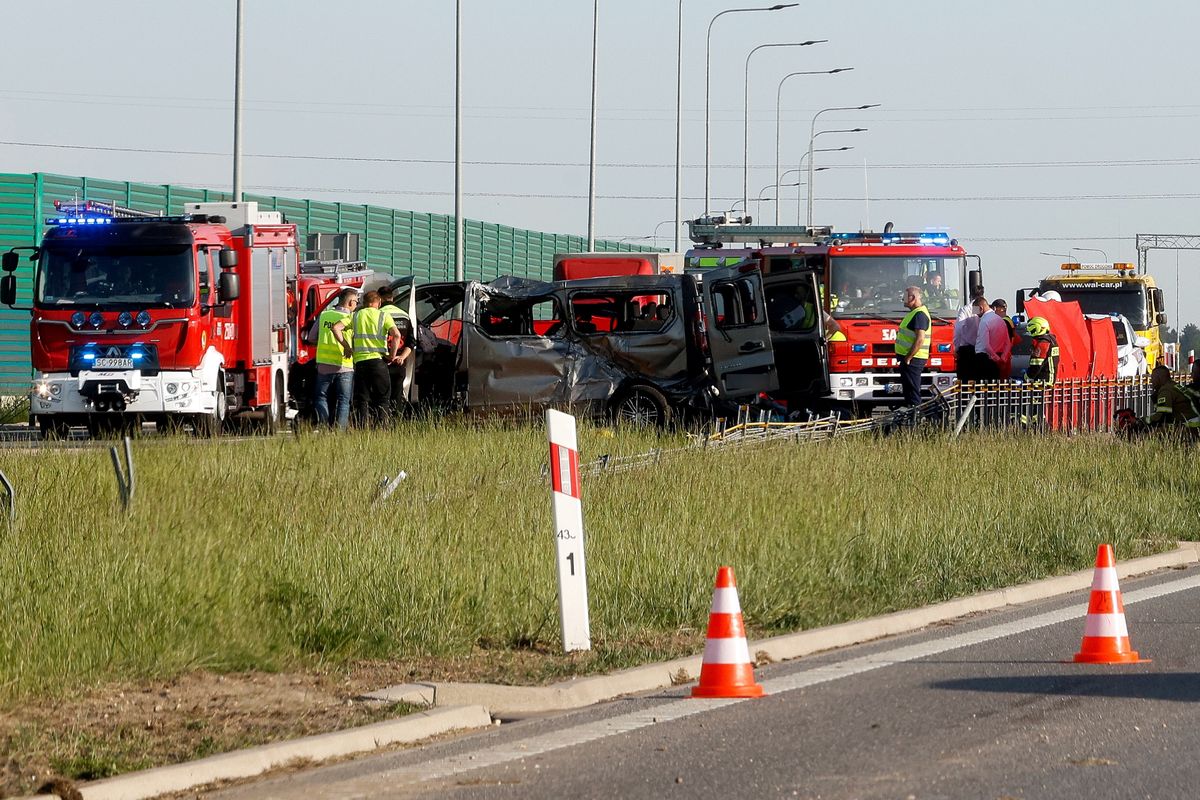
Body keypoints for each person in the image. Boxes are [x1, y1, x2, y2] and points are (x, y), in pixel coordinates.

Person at [351, 290, 404, 427]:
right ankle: (382, 429)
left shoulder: (356, 315)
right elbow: (397, 335)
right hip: (378, 362)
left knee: (362, 399)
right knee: (383, 398)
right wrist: (392, 356)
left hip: (360, 363)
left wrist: (347, 347)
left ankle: (362, 429)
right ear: (378, 302)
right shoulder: (383, 315)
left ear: (364, 303)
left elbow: (337, 328)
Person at [312, 288, 359, 430]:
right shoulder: (351, 318)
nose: (357, 304)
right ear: (350, 302)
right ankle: (340, 432)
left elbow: (311, 337)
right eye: (356, 301)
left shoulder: (325, 315)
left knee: (321, 397)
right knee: (343, 401)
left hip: (324, 366)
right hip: (344, 365)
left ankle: (323, 426)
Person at [378, 286, 415, 409]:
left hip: (382, 361)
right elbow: (411, 342)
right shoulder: (404, 315)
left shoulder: (379, 315)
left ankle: (381, 423)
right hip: (399, 364)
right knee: (397, 396)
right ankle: (396, 423)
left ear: (380, 299)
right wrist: (402, 357)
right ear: (392, 298)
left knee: (381, 396)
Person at [894, 285, 930, 407]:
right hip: (910, 358)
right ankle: (912, 417)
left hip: (914, 359)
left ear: (912, 297)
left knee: (913, 392)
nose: (902, 300)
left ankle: (916, 419)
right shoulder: (914, 313)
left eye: (904, 297)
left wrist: (909, 357)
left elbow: (920, 339)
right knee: (909, 391)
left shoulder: (919, 314)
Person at [1144, 365, 1200, 435]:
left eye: (1152, 378)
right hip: (1194, 424)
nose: (1151, 381)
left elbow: (1161, 416)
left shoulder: (1165, 390)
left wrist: (1142, 421)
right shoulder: (1174, 386)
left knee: (1151, 434)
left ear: (1159, 378)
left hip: (1189, 427)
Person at [953, 295, 989, 383]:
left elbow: (958, 329)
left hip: (966, 349)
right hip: (980, 349)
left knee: (964, 379)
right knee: (977, 379)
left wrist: (956, 347)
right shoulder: (984, 310)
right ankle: (975, 396)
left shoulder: (966, 309)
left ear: (970, 295)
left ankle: (965, 396)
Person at [975, 299, 1012, 381]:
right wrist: (1003, 358)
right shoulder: (1000, 320)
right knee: (996, 387)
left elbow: (985, 345)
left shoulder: (984, 321)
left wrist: (996, 359)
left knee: (982, 388)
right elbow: (1008, 343)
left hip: (984, 358)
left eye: (975, 311)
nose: (976, 314)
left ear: (981, 308)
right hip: (999, 356)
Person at [1023, 316, 1059, 384]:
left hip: (1042, 380)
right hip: (1048, 379)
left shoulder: (1043, 342)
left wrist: (1027, 377)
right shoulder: (1051, 340)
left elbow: (1036, 364)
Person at [990, 299, 1016, 379]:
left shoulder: (1003, 322)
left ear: (998, 308)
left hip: (1002, 356)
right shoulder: (1008, 320)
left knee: (999, 382)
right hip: (1006, 355)